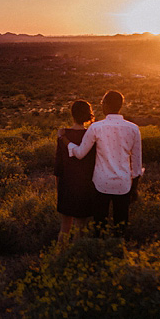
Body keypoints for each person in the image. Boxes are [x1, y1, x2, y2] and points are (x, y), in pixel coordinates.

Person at [63, 90, 143, 236]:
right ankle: (118, 251)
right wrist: (135, 188)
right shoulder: (133, 129)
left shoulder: (96, 128)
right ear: (120, 105)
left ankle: (98, 252)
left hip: (101, 184)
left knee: (99, 227)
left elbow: (80, 154)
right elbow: (137, 163)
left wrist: (66, 141)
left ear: (105, 105)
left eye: (102, 103)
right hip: (123, 184)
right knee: (121, 227)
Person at [54, 100, 97, 242]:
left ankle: (60, 257)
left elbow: (58, 166)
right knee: (81, 228)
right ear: (87, 115)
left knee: (64, 227)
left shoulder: (63, 135)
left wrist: (58, 189)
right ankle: (76, 257)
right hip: (85, 186)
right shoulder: (92, 136)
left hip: (67, 185)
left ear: (72, 115)